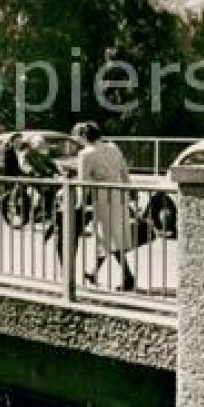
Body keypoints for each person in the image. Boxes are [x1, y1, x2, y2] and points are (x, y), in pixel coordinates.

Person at [73, 121, 137, 291]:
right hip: (118, 193)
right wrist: (129, 191)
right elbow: (124, 170)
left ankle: (128, 276)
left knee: (109, 236)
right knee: (109, 236)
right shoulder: (113, 147)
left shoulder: (86, 154)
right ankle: (94, 272)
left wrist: (80, 203)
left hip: (103, 196)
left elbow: (83, 182)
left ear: (85, 137)